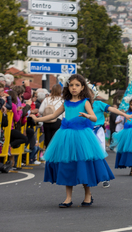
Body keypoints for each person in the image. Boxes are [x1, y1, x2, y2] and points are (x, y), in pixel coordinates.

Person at [30, 74, 115, 208]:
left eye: (77, 85)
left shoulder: (85, 102)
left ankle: (88, 194)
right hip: (66, 136)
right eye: (71, 85)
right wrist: (37, 119)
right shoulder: (66, 103)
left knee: (83, 165)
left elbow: (94, 117)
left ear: (82, 88)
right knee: (67, 165)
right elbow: (52, 115)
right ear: (68, 87)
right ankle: (68, 198)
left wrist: (88, 115)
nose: (74, 88)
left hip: (82, 137)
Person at [87, 83, 132, 188]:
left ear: (93, 94)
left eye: (89, 92)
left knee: (99, 154)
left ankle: (104, 177)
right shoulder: (81, 104)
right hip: (85, 132)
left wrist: (124, 114)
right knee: (86, 156)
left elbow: (112, 109)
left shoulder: (98, 104)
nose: (86, 94)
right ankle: (88, 178)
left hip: (97, 131)